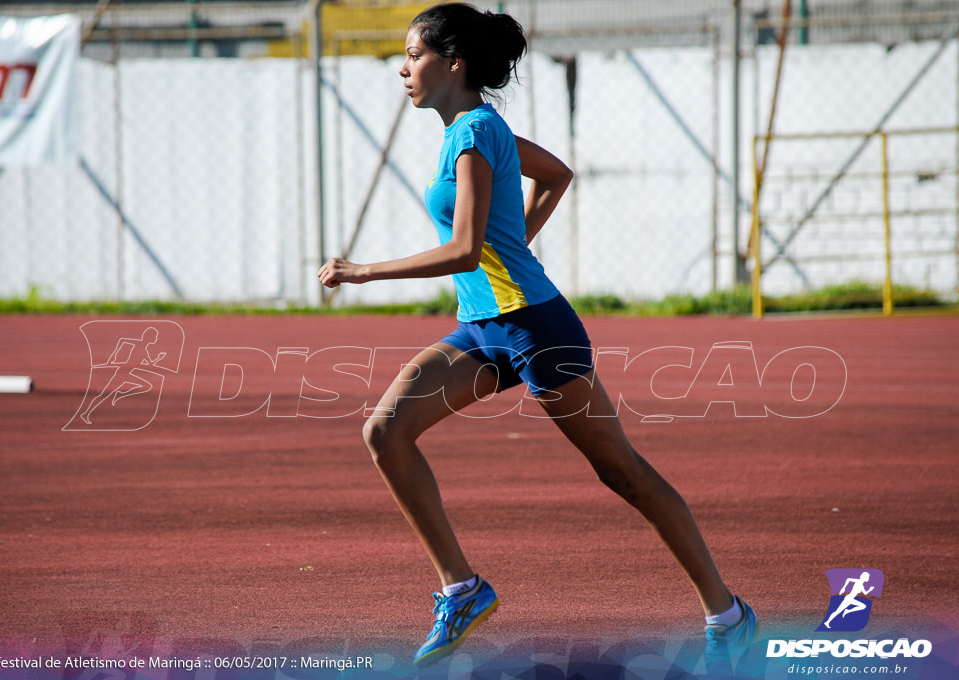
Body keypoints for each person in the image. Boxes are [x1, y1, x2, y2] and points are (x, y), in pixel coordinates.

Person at [317, 2, 757, 668]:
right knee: (385, 431)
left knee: (624, 474)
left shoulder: (471, 133)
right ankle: (461, 588)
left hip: (535, 328)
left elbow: (466, 250)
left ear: (453, 63)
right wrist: (512, 243)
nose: (403, 69)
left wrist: (362, 271)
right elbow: (554, 177)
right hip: (483, 330)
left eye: (413, 55)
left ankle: (728, 616)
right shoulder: (476, 127)